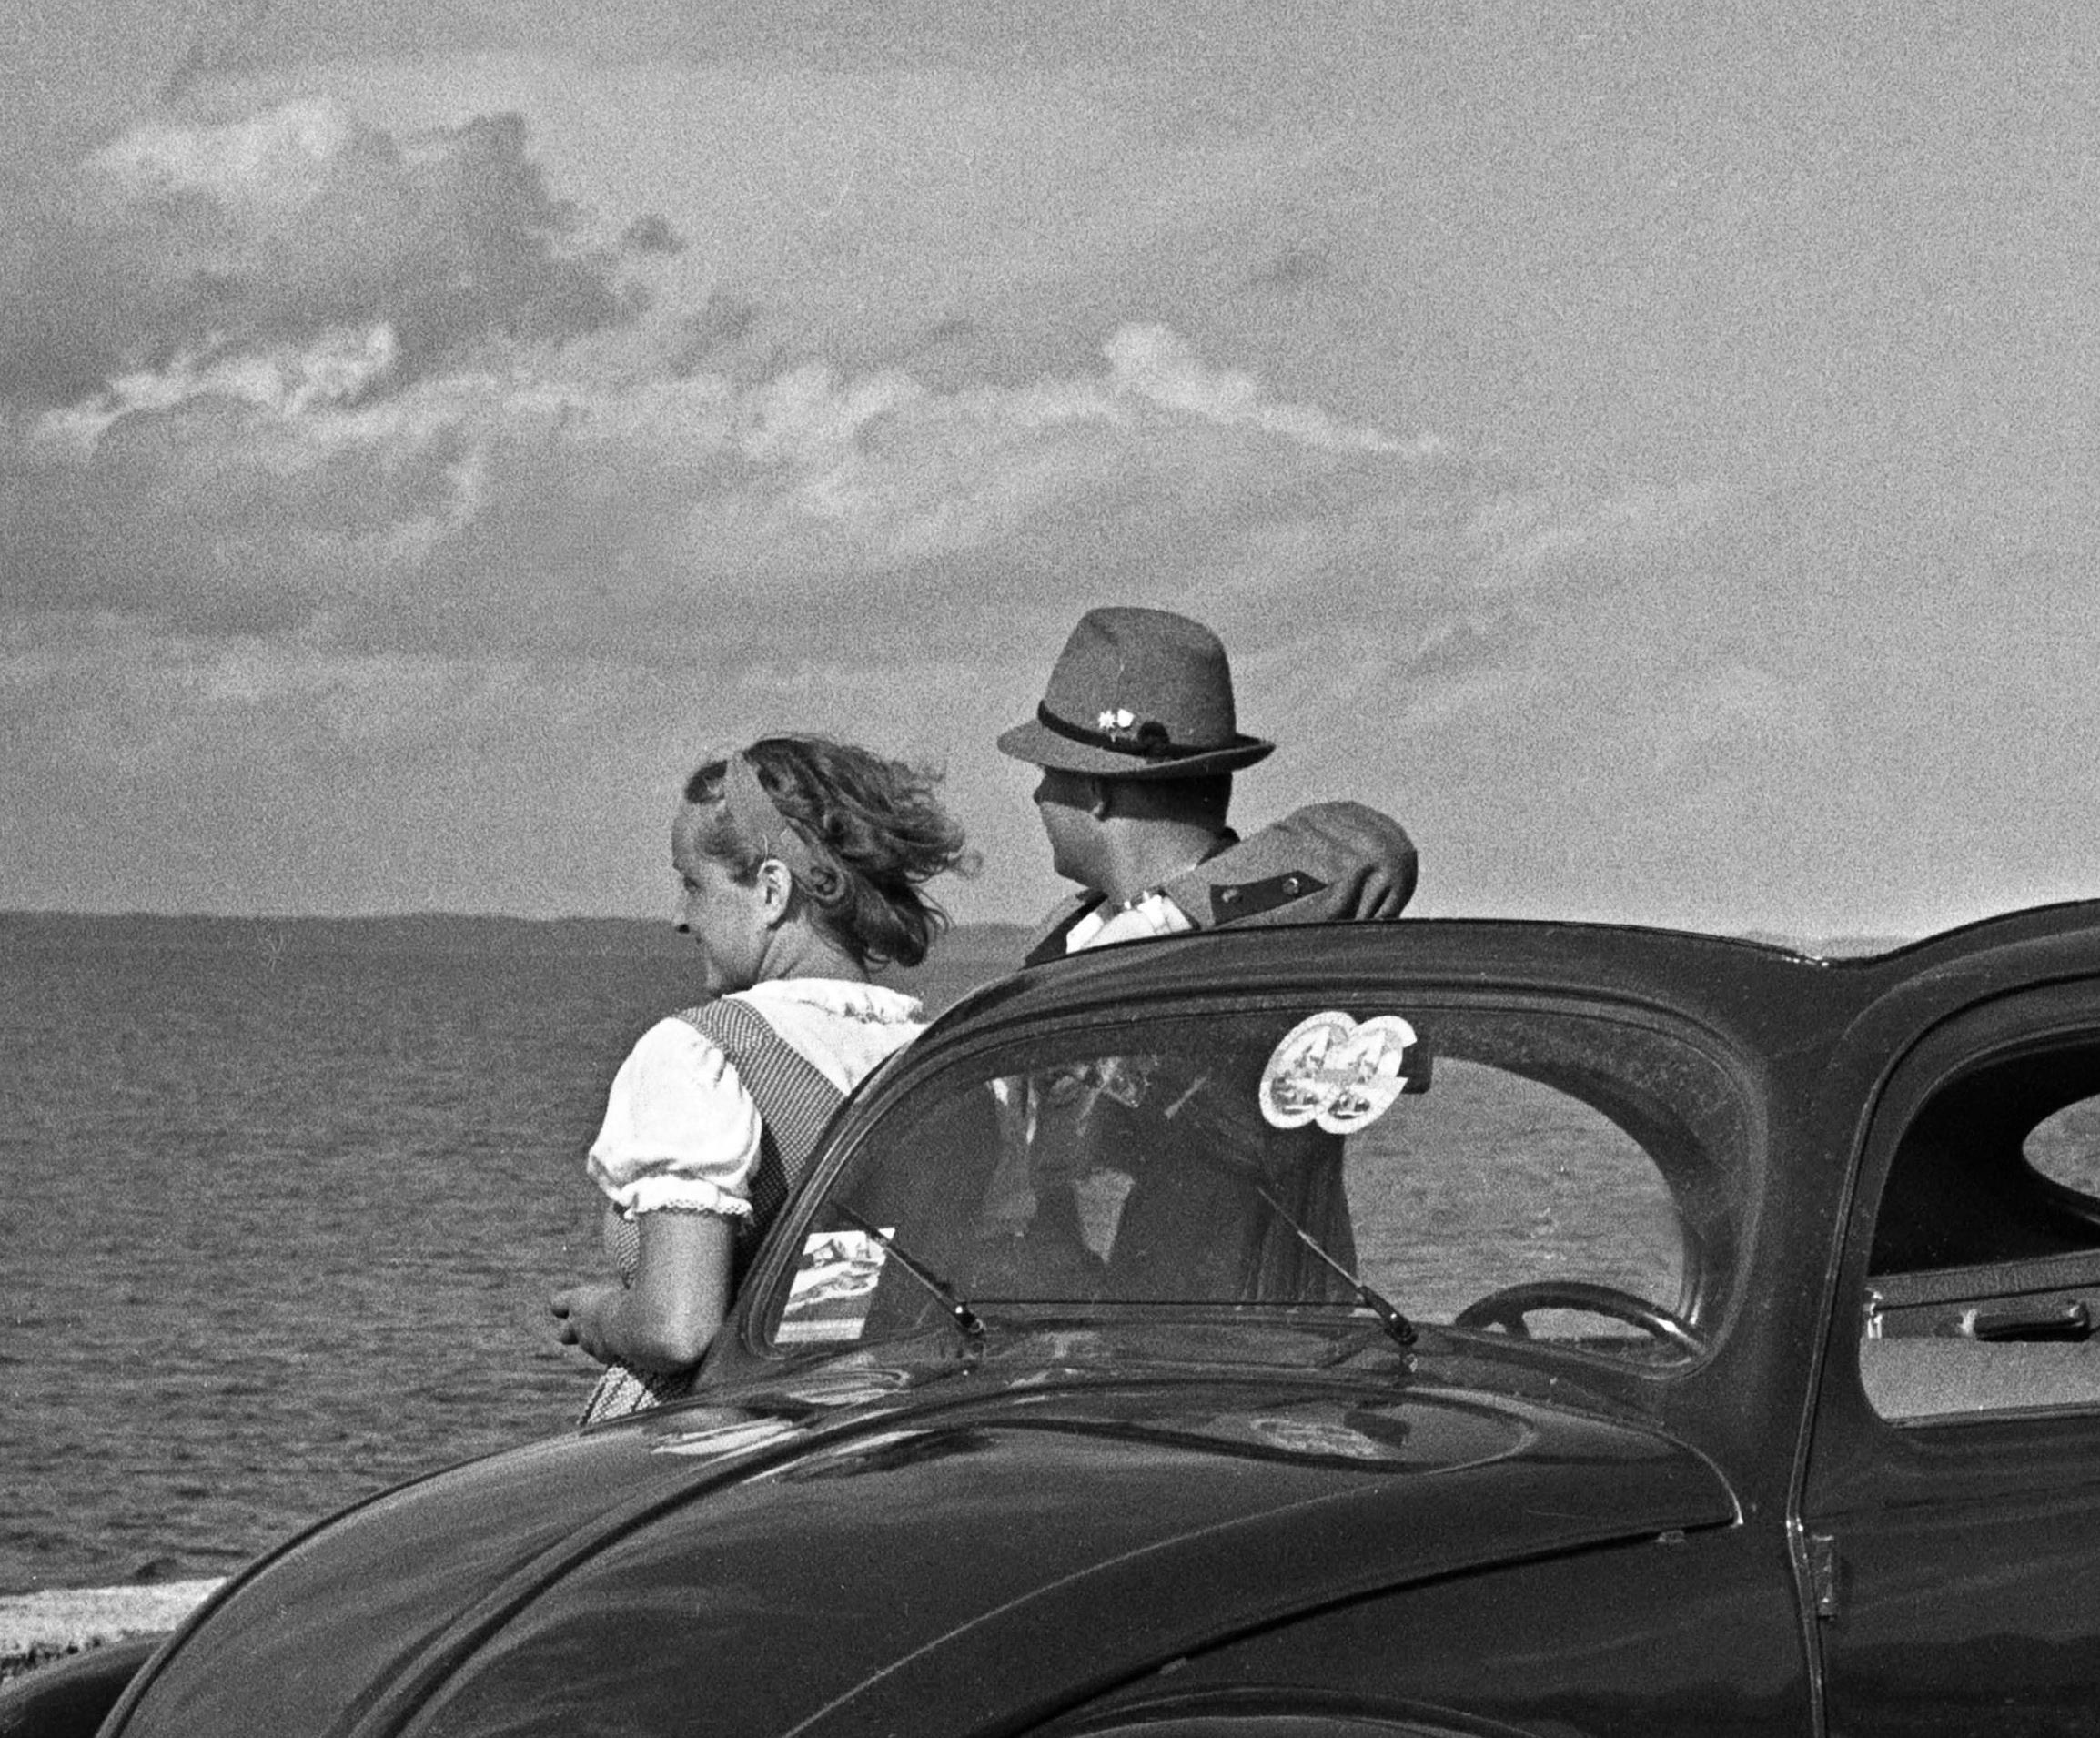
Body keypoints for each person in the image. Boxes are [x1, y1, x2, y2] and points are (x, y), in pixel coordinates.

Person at [550, 735, 971, 1423]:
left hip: (717, 1454)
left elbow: (678, 1327)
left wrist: (603, 1316)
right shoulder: (941, 1058)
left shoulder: (701, 1055)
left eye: (693, 883)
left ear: (772, 891)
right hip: (890, 1437)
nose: (680, 917)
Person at [996, 604, 1419, 961]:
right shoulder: (1064, 932)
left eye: (1047, 774)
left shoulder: (1269, 928)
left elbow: (1377, 848)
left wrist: (1163, 920)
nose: (1039, 795)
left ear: (1097, 793)